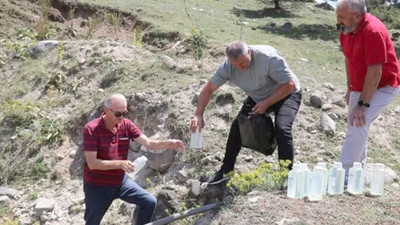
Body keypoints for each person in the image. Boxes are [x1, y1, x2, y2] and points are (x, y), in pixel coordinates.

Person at [190, 40, 302, 184]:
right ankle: (226, 170)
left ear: (249, 52)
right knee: (238, 127)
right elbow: (208, 89)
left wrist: (266, 103)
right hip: (258, 95)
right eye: (236, 66)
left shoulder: (268, 57)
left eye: (243, 63)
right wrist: (198, 114)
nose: (240, 68)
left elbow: (289, 84)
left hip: (286, 93)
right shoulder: (228, 66)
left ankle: (285, 177)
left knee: (282, 128)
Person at [82, 93, 185, 225]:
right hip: (97, 185)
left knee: (149, 202)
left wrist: (168, 143)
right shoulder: (91, 129)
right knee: (92, 222)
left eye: (125, 113)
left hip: (120, 181)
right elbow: (92, 163)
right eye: (118, 114)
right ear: (106, 110)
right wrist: (120, 164)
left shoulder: (126, 125)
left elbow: (148, 143)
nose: (122, 117)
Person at [336, 0, 400, 174]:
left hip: (384, 85)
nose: (338, 21)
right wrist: (350, 87)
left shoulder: (374, 31)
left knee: (357, 123)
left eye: (341, 17)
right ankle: (357, 172)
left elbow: (375, 73)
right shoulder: (346, 29)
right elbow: (348, 58)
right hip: (361, 84)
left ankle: (345, 175)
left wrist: (362, 105)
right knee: (356, 125)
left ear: (356, 17)